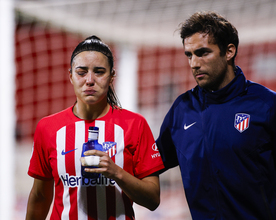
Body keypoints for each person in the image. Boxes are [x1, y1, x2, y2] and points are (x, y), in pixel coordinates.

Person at [26, 35, 165, 219]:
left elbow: (153, 199)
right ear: (70, 76)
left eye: (99, 71)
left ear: (111, 77)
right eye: (82, 72)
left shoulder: (135, 125)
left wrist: (115, 172)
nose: (90, 80)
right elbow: (41, 195)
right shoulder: (48, 128)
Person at [156, 11, 276, 219]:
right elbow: (152, 162)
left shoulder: (266, 105)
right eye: (189, 55)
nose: (194, 63)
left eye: (202, 53)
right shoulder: (182, 110)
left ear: (229, 51)